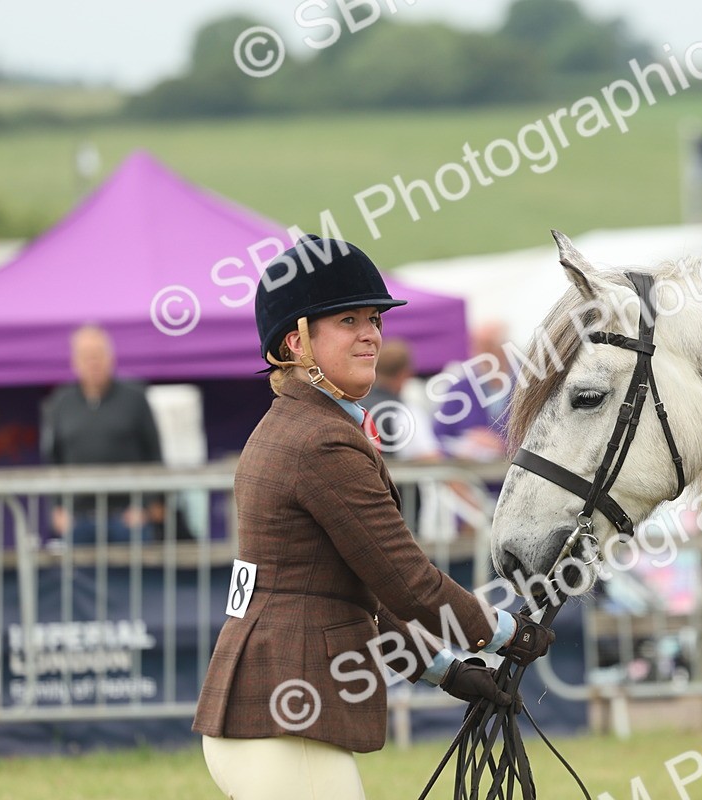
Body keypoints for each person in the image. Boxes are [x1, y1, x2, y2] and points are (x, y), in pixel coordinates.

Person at [192, 236, 554, 800]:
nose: (371, 334)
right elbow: (408, 582)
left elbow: (355, 597)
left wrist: (446, 669)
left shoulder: (296, 425)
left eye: (374, 319)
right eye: (348, 320)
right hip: (284, 718)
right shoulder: (321, 441)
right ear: (297, 342)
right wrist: (506, 633)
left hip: (267, 714)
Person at [40, 324, 164, 544]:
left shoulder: (135, 398)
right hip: (78, 520)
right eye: (86, 356)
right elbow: (53, 459)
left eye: (98, 354)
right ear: (75, 362)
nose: (93, 362)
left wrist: (146, 507)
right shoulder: (61, 402)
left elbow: (154, 453)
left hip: (127, 519)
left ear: (111, 357)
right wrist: (57, 508)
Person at [433, 321, 512, 461]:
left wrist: (502, 445)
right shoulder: (460, 390)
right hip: (467, 472)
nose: (481, 353)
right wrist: (467, 442)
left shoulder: (524, 390)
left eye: (488, 346)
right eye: (476, 345)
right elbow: (437, 436)